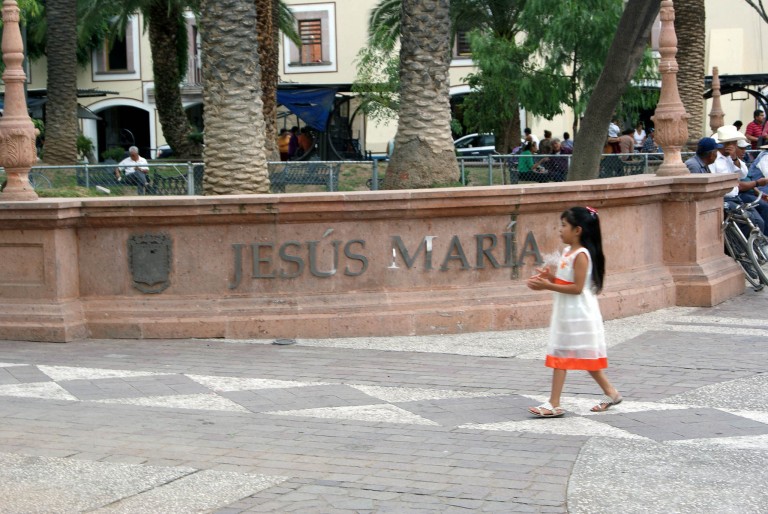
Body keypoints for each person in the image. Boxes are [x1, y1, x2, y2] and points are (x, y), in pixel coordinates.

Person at [526, 207, 621, 418]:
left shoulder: (581, 255)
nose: (560, 230)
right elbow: (566, 282)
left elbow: (577, 288)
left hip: (578, 313)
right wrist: (550, 279)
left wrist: (547, 286)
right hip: (567, 311)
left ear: (577, 230)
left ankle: (554, 403)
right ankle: (611, 393)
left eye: (564, 226)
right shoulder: (568, 252)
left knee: (561, 354)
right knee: (584, 356)